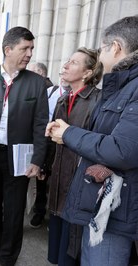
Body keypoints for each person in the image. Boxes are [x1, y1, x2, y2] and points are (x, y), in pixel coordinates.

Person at [46, 15, 138, 266]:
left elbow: (122, 149)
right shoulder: (123, 86)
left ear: (116, 47)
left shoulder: (132, 88)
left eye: (102, 50)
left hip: (116, 210)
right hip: (102, 203)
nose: (101, 57)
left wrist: (68, 134)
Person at [0, 26, 49, 265]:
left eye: (31, 49)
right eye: (24, 48)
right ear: (8, 50)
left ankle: (8, 256)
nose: (29, 54)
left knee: (15, 211)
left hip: (19, 158)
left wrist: (37, 160)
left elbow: (41, 125)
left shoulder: (37, 84)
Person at [45, 47, 103, 265]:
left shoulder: (98, 101)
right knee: (57, 250)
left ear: (87, 73)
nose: (66, 65)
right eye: (67, 61)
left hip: (79, 187)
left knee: (72, 250)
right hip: (59, 183)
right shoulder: (63, 99)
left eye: (74, 63)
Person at [28, 62, 54, 229]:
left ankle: (40, 210)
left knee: (42, 179)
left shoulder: (52, 92)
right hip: (31, 139)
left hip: (49, 141)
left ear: (40, 74)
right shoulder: (31, 88)